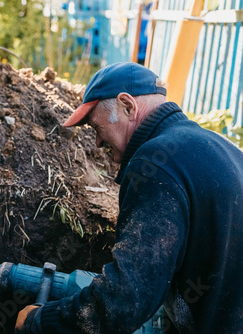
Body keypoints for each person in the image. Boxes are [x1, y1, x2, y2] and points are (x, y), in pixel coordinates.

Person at [15, 62, 243, 333]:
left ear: (127, 106)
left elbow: (127, 298)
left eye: (95, 126)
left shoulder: (156, 162)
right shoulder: (222, 147)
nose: (97, 143)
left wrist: (41, 322)